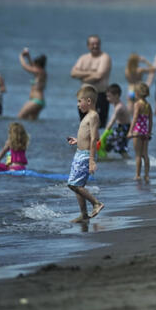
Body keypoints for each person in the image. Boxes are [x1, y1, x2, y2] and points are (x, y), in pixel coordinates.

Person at [66, 84, 104, 221]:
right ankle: (83, 214)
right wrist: (78, 140)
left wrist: (92, 160)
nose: (78, 105)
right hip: (80, 153)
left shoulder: (93, 116)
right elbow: (92, 136)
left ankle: (96, 203)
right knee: (78, 185)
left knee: (73, 184)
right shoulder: (88, 116)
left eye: (79, 101)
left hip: (86, 155)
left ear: (88, 101)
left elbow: (94, 139)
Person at [70, 35, 112, 127]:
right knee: (84, 125)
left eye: (97, 44)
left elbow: (99, 76)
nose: (95, 46)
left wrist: (83, 78)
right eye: (92, 44)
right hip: (84, 97)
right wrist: (91, 72)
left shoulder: (104, 57)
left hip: (100, 95)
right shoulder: (83, 58)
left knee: (99, 125)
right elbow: (73, 73)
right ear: (88, 46)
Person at [128, 83, 153, 182]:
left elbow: (134, 118)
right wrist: (149, 132)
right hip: (145, 132)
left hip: (137, 132)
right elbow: (150, 120)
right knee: (145, 154)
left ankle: (138, 175)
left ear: (137, 93)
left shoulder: (137, 104)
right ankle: (147, 175)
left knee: (138, 155)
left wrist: (130, 131)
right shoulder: (148, 105)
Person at [101, 84, 132, 159]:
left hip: (124, 129)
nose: (107, 99)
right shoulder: (117, 104)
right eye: (107, 96)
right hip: (121, 128)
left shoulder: (119, 107)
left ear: (117, 95)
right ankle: (107, 157)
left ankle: (104, 158)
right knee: (119, 147)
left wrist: (103, 134)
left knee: (113, 144)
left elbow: (112, 121)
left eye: (109, 96)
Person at [17, 48, 47, 120]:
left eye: (35, 65)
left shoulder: (39, 72)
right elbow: (32, 66)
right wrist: (28, 56)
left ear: (39, 65)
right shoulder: (41, 72)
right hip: (38, 101)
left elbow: (25, 66)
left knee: (20, 116)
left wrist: (20, 56)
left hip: (36, 100)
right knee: (32, 121)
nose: (34, 66)